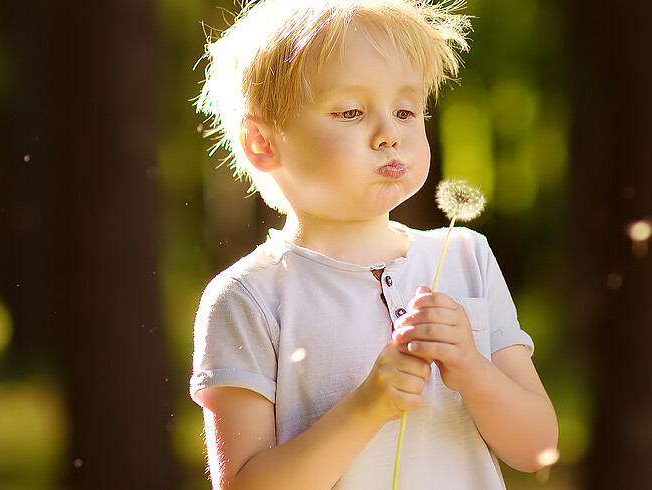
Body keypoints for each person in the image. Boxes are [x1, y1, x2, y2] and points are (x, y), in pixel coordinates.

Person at [190, 1, 557, 488]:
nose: (390, 134)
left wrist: (472, 369)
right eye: (351, 112)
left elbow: (537, 448)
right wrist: (366, 408)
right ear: (263, 143)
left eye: (406, 110)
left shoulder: (467, 258)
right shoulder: (249, 299)